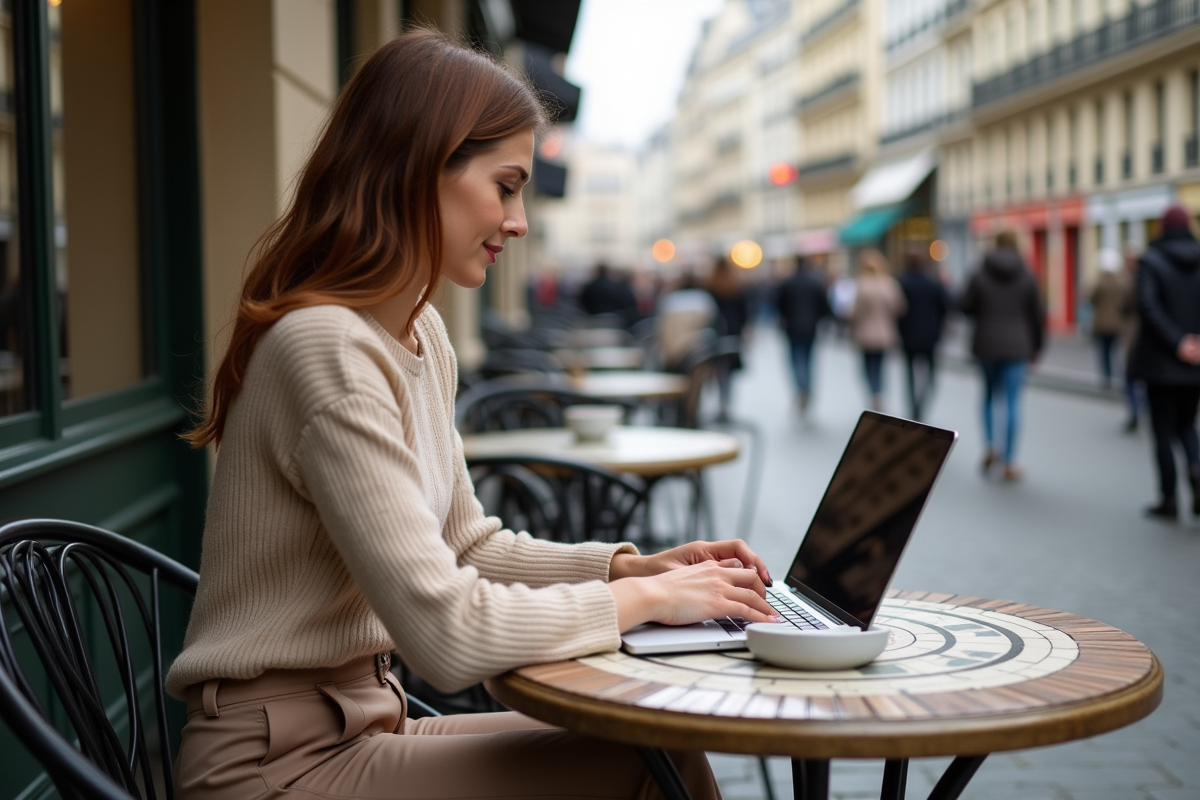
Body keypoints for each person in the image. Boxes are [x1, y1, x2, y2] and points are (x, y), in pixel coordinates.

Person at [169, 31, 782, 800]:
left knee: (659, 739)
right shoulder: (323, 346)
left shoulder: (419, 331)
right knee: (643, 762)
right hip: (269, 768)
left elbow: (465, 543)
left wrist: (627, 566)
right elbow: (450, 636)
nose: (519, 220)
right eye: (506, 185)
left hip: (363, 725)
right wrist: (648, 602)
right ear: (419, 169)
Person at [1126, 205, 1200, 521]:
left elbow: (1147, 305)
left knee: (1161, 430)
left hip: (1160, 363)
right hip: (1195, 361)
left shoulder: (1151, 260)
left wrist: (1176, 341)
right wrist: (1194, 342)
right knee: (1187, 426)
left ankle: (1168, 498)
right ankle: (1196, 471)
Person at [959, 230, 1045, 481]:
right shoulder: (1027, 274)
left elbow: (964, 306)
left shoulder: (979, 272)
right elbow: (1037, 316)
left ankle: (989, 446)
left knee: (988, 396)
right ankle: (1008, 460)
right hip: (1018, 345)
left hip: (986, 343)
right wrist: (1037, 347)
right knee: (1012, 401)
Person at [896, 246, 952, 421]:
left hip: (908, 336)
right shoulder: (934, 283)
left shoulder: (902, 283)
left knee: (910, 375)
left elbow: (897, 310)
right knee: (930, 375)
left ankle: (914, 407)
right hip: (930, 336)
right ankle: (922, 405)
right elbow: (946, 307)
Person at [848, 249, 906, 412]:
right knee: (880, 365)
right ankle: (879, 392)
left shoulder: (861, 284)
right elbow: (899, 308)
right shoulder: (889, 284)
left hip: (865, 334)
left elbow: (855, 312)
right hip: (884, 334)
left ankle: (874, 392)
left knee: (867, 366)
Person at [775, 255, 832, 414]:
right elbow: (824, 307)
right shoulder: (815, 282)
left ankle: (801, 388)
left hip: (792, 328)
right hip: (810, 328)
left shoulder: (788, 283)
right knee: (808, 361)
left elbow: (780, 306)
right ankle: (806, 388)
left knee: (795, 360)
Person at [705, 256, 754, 420]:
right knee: (729, 372)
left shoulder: (710, 286)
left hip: (717, 333)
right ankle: (726, 402)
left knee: (719, 369)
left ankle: (721, 402)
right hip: (734, 333)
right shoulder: (736, 285)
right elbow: (745, 312)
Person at [1089, 248, 1127, 391]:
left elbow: (1092, 300)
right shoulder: (1122, 282)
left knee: (1104, 353)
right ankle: (1120, 378)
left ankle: (1107, 378)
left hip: (1102, 324)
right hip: (1118, 323)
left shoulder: (1100, 283)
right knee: (1117, 352)